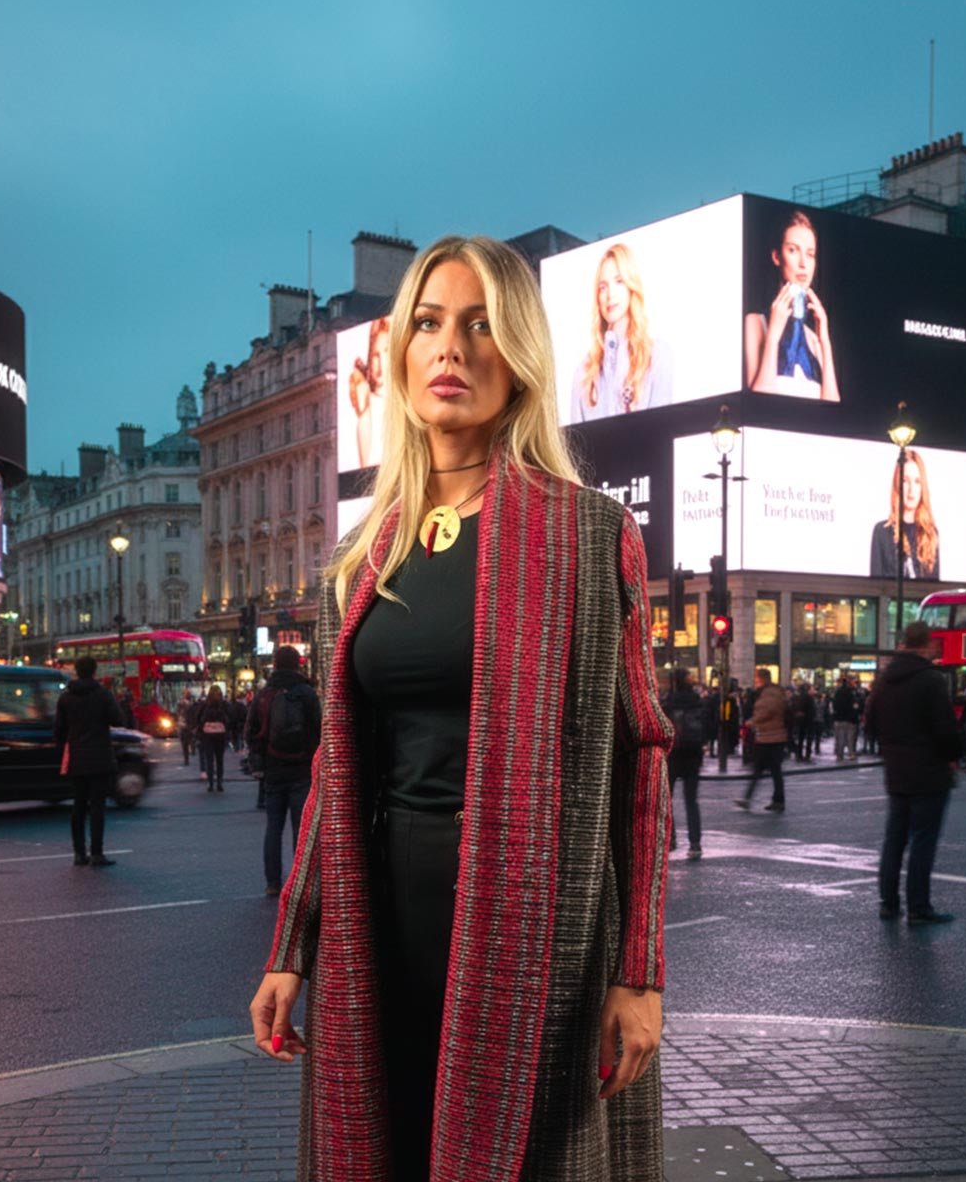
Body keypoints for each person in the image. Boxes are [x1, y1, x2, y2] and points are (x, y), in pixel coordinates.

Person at [248, 235, 672, 1181]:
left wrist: (637, 972)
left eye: (481, 326)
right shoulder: (362, 559)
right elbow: (333, 772)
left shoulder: (587, 533)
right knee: (389, 1146)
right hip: (380, 917)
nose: (452, 349)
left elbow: (641, 760)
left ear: (518, 356)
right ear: (400, 358)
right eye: (431, 324)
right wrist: (293, 948)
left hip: (538, 930)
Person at [865, 620, 964, 924]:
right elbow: (945, 729)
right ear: (927, 644)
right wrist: (952, 756)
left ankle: (889, 903)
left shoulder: (883, 680)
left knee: (894, 838)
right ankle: (919, 907)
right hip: (929, 771)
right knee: (923, 839)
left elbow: (870, 726)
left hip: (897, 771)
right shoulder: (931, 680)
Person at [247, 645, 321, 896]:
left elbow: (251, 733)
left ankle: (272, 883)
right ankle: (300, 882)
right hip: (301, 769)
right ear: (297, 664)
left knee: (273, 828)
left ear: (276, 664)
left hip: (273, 770)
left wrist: (259, 764)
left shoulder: (264, 694)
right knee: (301, 831)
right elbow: (319, 730)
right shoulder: (307, 693)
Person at [570, 242, 673, 422]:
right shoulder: (584, 372)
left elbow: (663, 430)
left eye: (619, 282)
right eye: (602, 287)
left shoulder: (657, 355)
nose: (610, 294)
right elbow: (573, 445)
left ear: (630, 286)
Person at [744, 209, 839, 402]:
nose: (803, 263)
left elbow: (833, 408)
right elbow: (759, 401)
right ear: (777, 257)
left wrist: (825, 340)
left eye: (810, 254)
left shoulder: (814, 339)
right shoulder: (756, 322)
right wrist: (773, 335)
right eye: (793, 250)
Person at [54, 656, 123, 868]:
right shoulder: (102, 694)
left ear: (76, 671)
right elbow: (118, 720)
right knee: (97, 808)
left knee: (79, 806)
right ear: (94, 671)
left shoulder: (66, 698)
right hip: (100, 757)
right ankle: (96, 853)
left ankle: (78, 853)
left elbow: (59, 731)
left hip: (76, 757)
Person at [869, 449, 940, 580]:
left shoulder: (930, 533)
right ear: (897, 484)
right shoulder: (882, 531)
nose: (911, 490)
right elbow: (876, 588)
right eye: (905, 481)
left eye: (917, 481)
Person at [662, 668, 704, 860]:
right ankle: (695, 843)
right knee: (691, 801)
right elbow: (708, 724)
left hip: (673, 755)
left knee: (667, 800)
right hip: (693, 755)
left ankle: (670, 839)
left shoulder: (669, 702)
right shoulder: (697, 701)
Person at [736, 668, 789, 812]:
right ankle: (777, 800)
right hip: (771, 736)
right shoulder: (773, 691)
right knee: (772, 771)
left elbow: (767, 711)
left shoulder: (769, 693)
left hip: (770, 737)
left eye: (756, 678)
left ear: (762, 678)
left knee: (761, 770)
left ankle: (749, 799)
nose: (755, 681)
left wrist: (752, 721)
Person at [349, 316, 391, 468]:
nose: (381, 366)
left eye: (387, 353)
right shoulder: (369, 410)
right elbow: (366, 470)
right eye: (375, 356)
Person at [198, 684, 230, 792]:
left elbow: (198, 719)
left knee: (209, 760)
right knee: (220, 760)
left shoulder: (205, 704)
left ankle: (211, 784)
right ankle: (219, 783)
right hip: (220, 735)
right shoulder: (224, 704)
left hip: (207, 736)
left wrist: (199, 732)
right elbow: (230, 717)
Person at [833, 675, 858, 760]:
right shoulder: (851, 693)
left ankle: (839, 755)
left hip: (838, 718)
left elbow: (834, 705)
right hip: (849, 719)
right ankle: (851, 754)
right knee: (850, 738)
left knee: (840, 738)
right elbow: (855, 706)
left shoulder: (837, 693)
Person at [176, 687, 195, 766]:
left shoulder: (182, 703)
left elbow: (178, 714)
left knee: (185, 743)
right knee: (189, 740)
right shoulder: (191, 704)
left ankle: (186, 758)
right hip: (186, 725)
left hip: (184, 725)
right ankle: (190, 753)